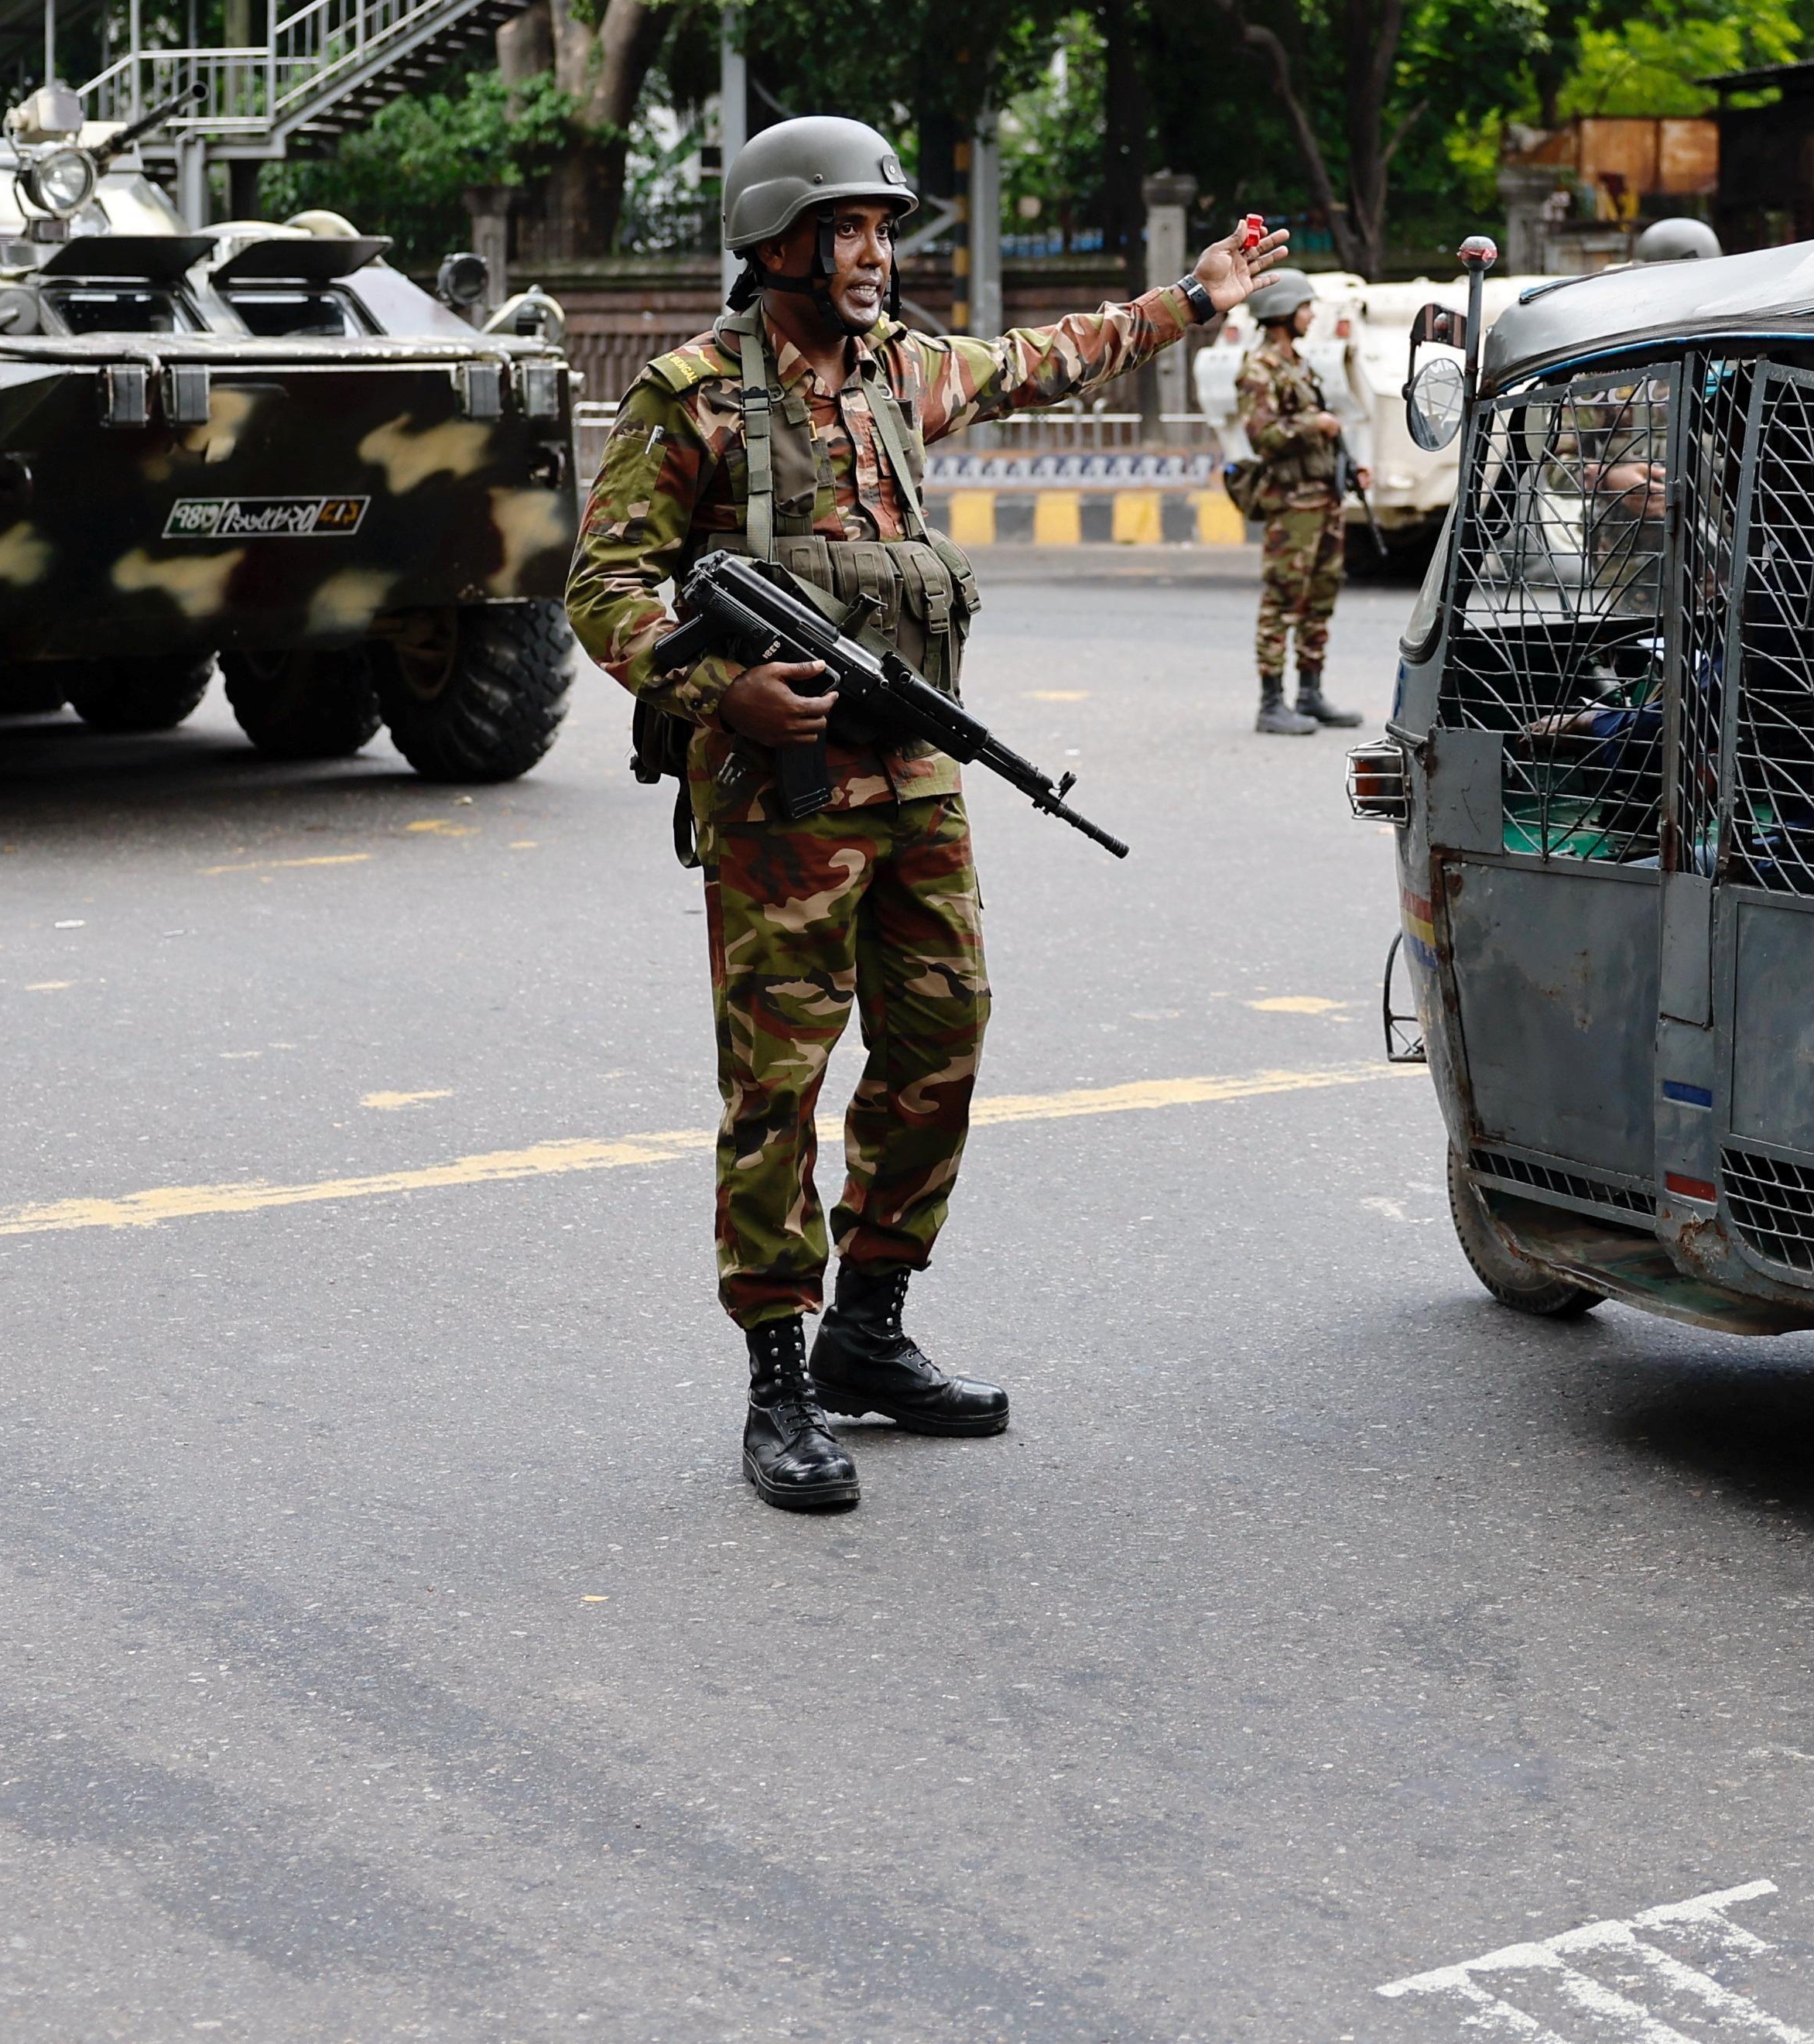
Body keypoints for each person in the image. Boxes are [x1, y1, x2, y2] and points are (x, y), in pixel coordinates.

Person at [565, 114, 1289, 1514]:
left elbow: (1044, 359)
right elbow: (604, 587)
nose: (877, 255)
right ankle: (778, 1378)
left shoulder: (902, 372)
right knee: (777, 1085)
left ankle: (869, 1332)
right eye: (852, 230)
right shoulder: (694, 397)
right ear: (779, 240)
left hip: (912, 780)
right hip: (778, 795)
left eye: (885, 232)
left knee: (941, 1038)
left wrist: (1191, 300)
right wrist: (723, 691)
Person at [1234, 272, 1360, 735]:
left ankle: (1310, 694)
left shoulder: (1298, 365)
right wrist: (1316, 425)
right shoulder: (1258, 370)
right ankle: (1271, 704)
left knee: (1320, 597)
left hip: (1323, 499)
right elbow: (1262, 436)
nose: (1311, 315)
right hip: (1291, 505)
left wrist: (1348, 463)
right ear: (1282, 314)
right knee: (1283, 599)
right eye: (1305, 307)